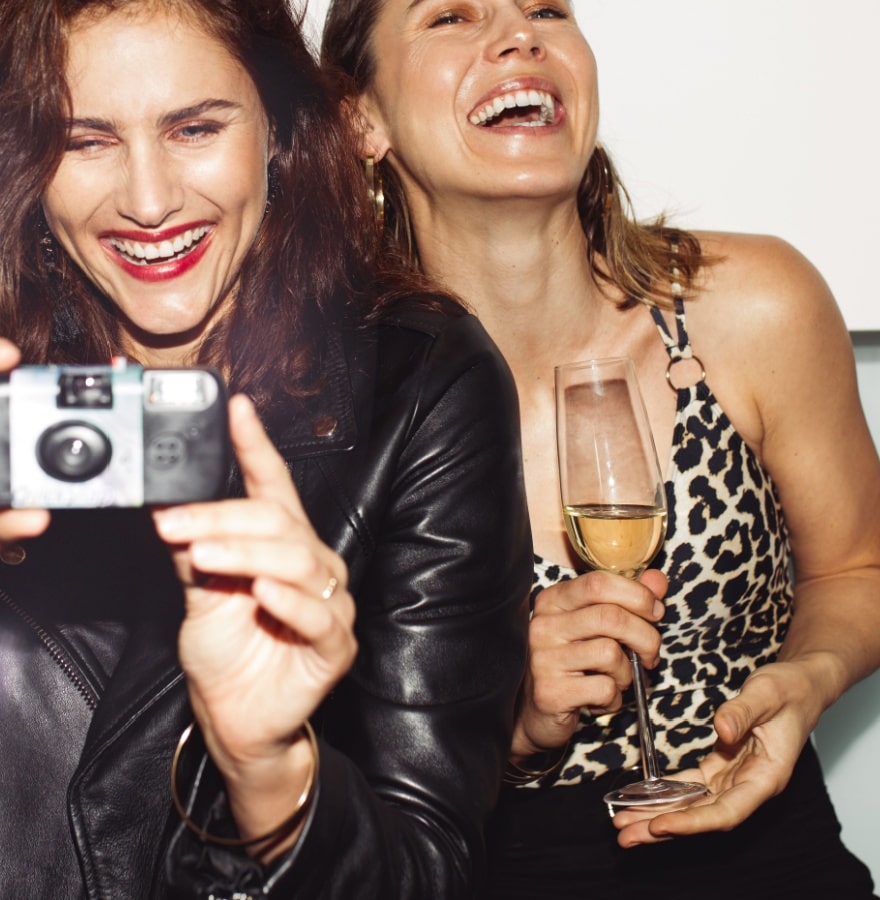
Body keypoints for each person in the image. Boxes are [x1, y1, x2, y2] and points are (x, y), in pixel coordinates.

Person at [0, 0, 531, 897]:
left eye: (194, 128)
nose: (148, 201)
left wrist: (269, 770)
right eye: (85, 141)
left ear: (277, 127)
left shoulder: (416, 382)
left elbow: (432, 872)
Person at [322, 1, 880, 897]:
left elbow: (859, 567)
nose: (519, 35)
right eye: (451, 16)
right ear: (362, 119)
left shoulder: (755, 308)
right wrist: (499, 723)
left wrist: (808, 679)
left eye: (546, 8)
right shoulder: (328, 408)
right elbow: (300, 748)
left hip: (774, 861)